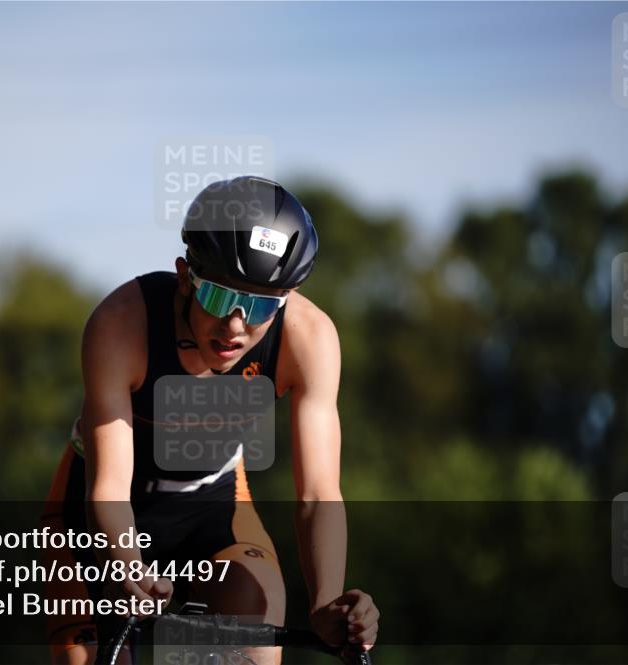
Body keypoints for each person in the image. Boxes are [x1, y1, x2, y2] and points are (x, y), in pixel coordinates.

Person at [42, 176, 379, 664]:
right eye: (221, 298)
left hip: (214, 504)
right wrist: (128, 565)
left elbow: (318, 494)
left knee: (253, 639)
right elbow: (109, 489)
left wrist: (327, 601)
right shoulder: (121, 324)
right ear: (185, 275)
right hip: (100, 511)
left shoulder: (309, 338)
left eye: (262, 304)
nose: (236, 326)